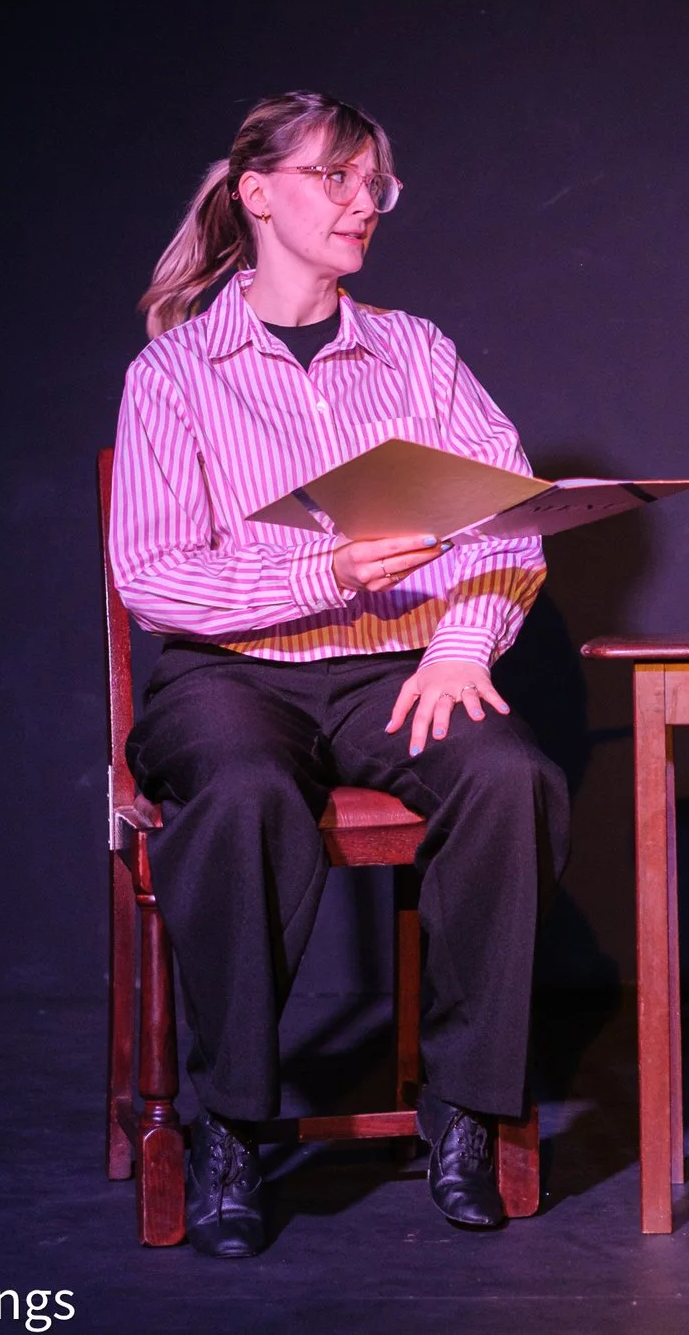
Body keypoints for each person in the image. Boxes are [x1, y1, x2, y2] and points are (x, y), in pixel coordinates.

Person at [111, 92, 566, 1257]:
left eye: (376, 183)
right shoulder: (175, 371)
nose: (364, 201)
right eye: (337, 177)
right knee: (242, 792)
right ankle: (232, 1122)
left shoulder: (415, 351)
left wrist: (461, 643)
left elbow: (511, 518)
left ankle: (465, 1107)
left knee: (509, 776)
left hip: (393, 669)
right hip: (231, 676)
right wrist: (327, 569)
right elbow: (153, 573)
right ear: (258, 193)